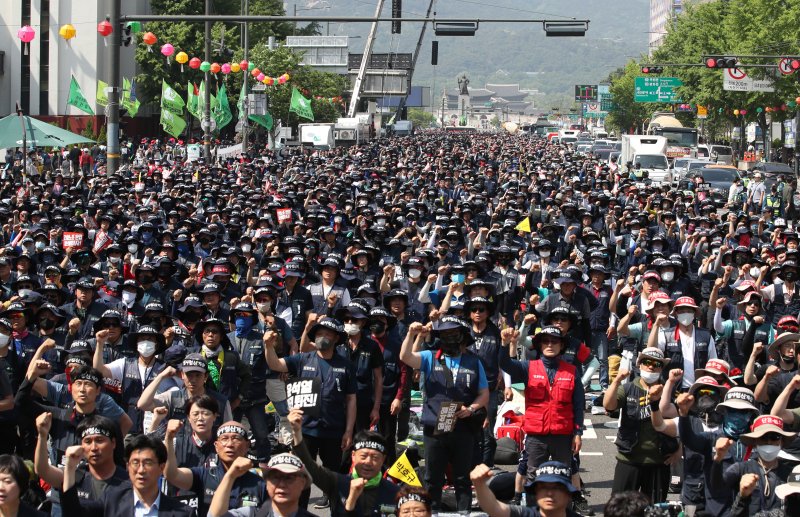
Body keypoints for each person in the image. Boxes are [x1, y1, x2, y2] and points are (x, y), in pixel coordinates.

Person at [264, 318, 356, 510]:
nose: (323, 337)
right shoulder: (303, 359)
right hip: (304, 431)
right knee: (301, 475)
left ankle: (336, 514)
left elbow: (351, 400)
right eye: (320, 334)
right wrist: (268, 346)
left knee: (332, 480)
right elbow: (275, 365)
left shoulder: (346, 365)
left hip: (333, 431)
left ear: (336, 338)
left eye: (328, 334)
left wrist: (348, 431)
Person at [399, 317, 489, 512]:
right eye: (444, 334)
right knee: (433, 477)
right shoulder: (430, 356)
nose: (449, 338)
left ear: (463, 337)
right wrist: (411, 334)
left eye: (453, 334)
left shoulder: (474, 362)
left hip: (464, 427)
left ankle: (464, 512)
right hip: (434, 429)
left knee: (462, 477)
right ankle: (433, 512)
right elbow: (406, 357)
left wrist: (471, 409)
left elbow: (484, 394)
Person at [498, 326, 584, 484]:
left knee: (563, 477)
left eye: (554, 341)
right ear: (540, 345)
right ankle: (534, 508)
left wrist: (578, 433)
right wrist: (504, 344)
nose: (550, 345)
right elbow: (505, 364)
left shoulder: (572, 371)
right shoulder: (528, 367)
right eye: (546, 341)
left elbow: (579, 405)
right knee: (533, 477)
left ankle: (564, 508)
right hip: (536, 436)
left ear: (562, 345)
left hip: (563, 435)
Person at [287, 408, 399, 516]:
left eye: (375, 458)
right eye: (363, 456)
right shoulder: (338, 483)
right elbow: (308, 464)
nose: (368, 462)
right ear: (353, 456)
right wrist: (296, 432)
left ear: (383, 459)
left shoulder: (395, 492)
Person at [603, 347, 678, 503]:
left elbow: (684, 422)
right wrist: (616, 381)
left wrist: (679, 450)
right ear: (639, 364)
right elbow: (609, 406)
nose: (651, 366)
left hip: (658, 462)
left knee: (654, 510)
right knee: (619, 509)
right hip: (628, 459)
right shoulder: (628, 388)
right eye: (647, 362)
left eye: (656, 364)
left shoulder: (669, 390)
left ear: (661, 368)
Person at [60, 433, 196, 516]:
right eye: (135, 463)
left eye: (148, 463)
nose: (141, 470)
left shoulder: (182, 512)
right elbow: (73, 513)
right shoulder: (112, 500)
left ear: (161, 468)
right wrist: (70, 467)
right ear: (127, 467)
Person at [164, 419, 267, 516]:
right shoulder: (204, 475)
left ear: (247, 445)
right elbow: (172, 474)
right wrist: (169, 438)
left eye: (236, 438)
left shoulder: (260, 484)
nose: (230, 444)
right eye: (224, 438)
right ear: (216, 446)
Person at [34, 413, 127, 517]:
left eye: (99, 440)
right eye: (88, 441)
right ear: (81, 446)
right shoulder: (75, 476)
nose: (94, 447)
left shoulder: (129, 481)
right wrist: (42, 436)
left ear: (113, 443)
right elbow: (42, 470)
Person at [207, 453, 319, 517]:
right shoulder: (251, 515)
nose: (281, 484)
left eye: (289, 478)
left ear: (302, 483)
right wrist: (230, 476)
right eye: (275, 477)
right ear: (266, 483)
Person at [471, 461, 581, 517]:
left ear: (569, 493)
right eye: (543, 487)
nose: (549, 493)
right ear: (536, 492)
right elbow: (494, 508)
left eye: (557, 488)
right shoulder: (525, 514)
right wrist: (480, 485)